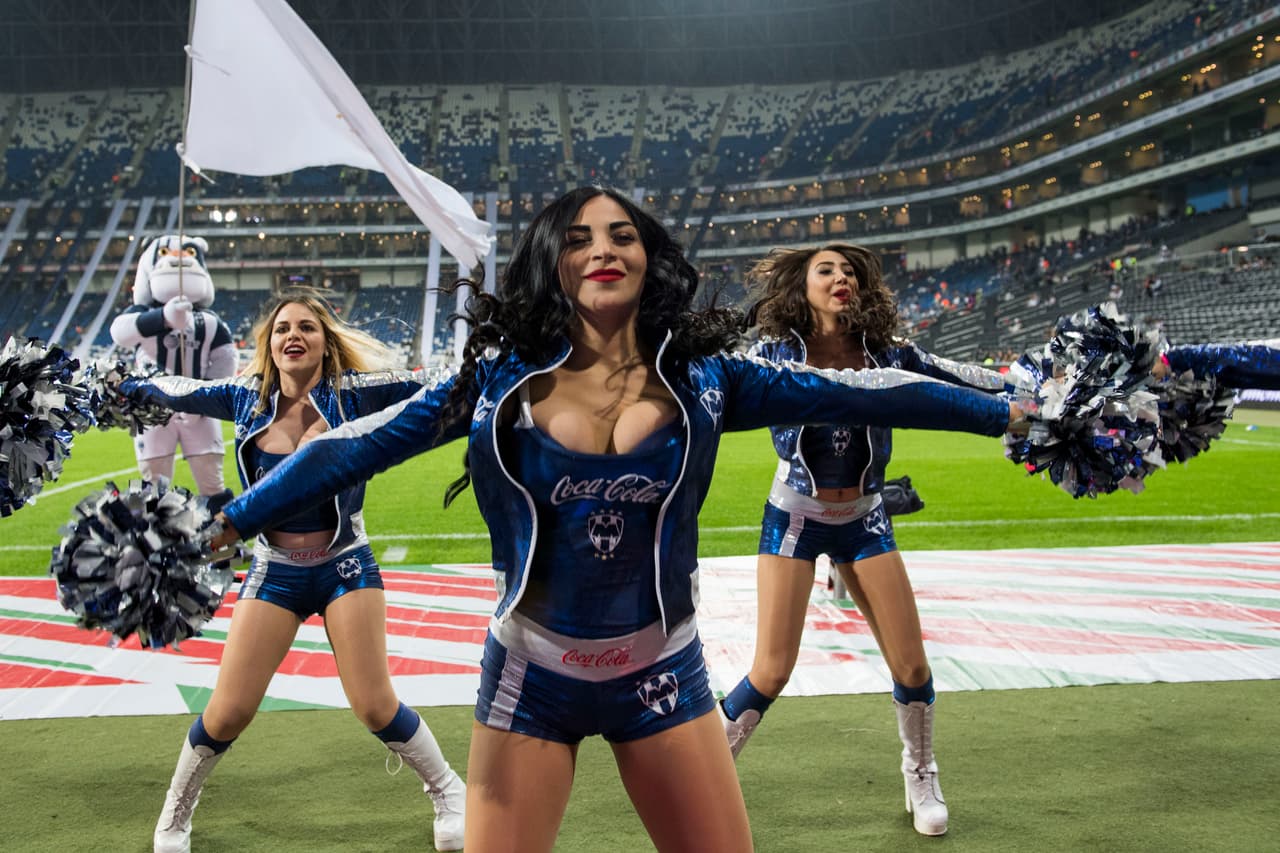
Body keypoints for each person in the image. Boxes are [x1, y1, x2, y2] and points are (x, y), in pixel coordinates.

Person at [205, 187, 1024, 853]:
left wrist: (1017, 415)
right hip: (530, 681)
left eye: (622, 234)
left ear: (648, 256)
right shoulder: (496, 381)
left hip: (662, 675)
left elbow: (871, 390)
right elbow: (349, 450)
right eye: (579, 237)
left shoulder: (710, 376)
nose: (603, 248)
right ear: (551, 264)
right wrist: (227, 522)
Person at [121, 289, 467, 853]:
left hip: (344, 563)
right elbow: (174, 388)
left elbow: (443, 386)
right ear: (269, 343)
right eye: (283, 329)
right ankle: (175, 814)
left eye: (307, 327)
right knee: (228, 710)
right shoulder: (243, 397)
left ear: (325, 343)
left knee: (375, 704)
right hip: (275, 570)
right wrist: (118, 386)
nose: (293, 337)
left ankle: (451, 792)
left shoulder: (357, 394)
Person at [719, 243, 1010, 838]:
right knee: (771, 671)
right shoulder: (768, 356)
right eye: (826, 269)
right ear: (801, 286)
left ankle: (921, 772)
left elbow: (961, 378)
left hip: (866, 518)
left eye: (849, 270)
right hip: (794, 517)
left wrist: (1029, 393)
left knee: (911, 661)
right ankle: (704, 772)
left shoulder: (890, 354)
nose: (841, 277)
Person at [110, 235, 237, 508]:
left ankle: (221, 539)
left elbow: (225, 359)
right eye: (166, 252)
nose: (179, 258)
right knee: (153, 483)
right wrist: (164, 318)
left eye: (189, 252)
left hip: (200, 413)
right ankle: (154, 541)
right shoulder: (142, 314)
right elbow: (120, 332)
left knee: (211, 481)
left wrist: (206, 400)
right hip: (152, 412)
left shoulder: (210, 321)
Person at [1155, 340, 1280, 389]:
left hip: (1231, 362)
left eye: (1152, 372)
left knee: (1266, 366)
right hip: (1228, 375)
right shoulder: (1172, 370)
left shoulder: (1177, 356)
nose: (1154, 377)